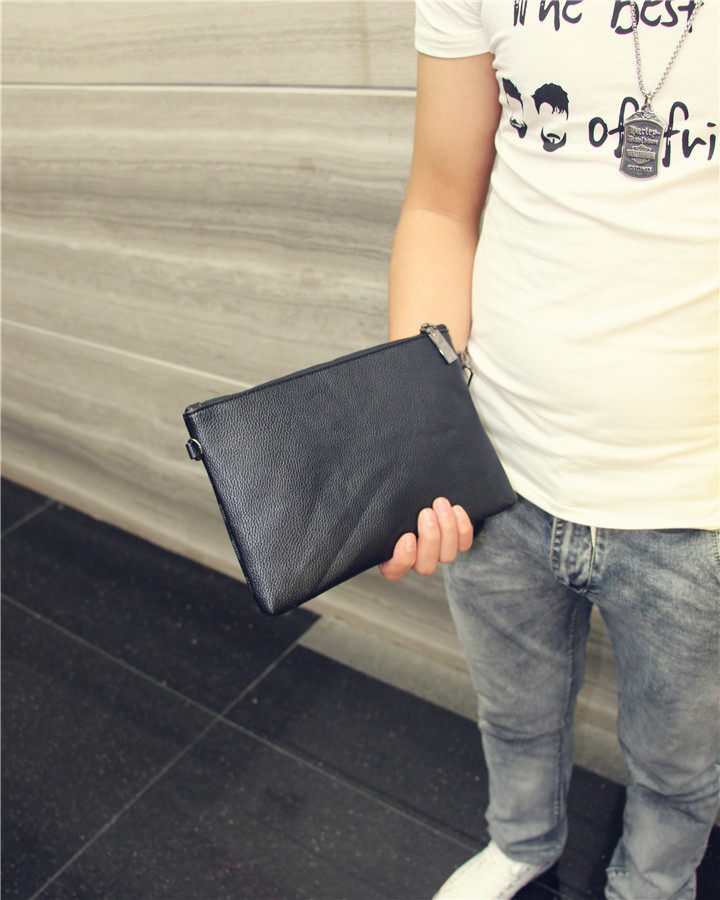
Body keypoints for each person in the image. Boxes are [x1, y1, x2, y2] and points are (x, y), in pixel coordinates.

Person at [378, 2, 719, 899]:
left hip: (700, 507)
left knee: (681, 765)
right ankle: (522, 844)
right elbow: (440, 203)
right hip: (496, 466)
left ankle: (655, 884)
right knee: (515, 717)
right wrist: (425, 447)